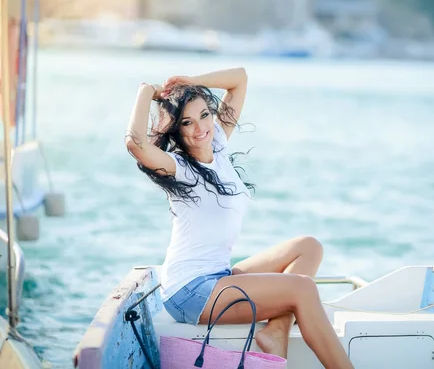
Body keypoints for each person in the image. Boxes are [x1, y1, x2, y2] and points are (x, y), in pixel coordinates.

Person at [125, 68, 354, 368]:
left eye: (204, 115)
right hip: (190, 290)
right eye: (187, 122)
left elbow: (240, 79)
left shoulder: (217, 144)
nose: (199, 128)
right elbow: (135, 144)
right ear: (176, 130)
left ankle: (277, 330)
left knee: (309, 247)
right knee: (302, 288)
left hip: (219, 275)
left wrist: (192, 82)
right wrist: (148, 91)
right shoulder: (178, 167)